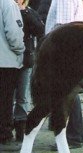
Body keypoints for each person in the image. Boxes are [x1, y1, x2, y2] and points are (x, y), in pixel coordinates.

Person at [45, 0, 83, 150]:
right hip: (71, 46)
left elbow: (64, 26)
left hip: (64, 48)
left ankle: (73, 136)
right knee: (70, 91)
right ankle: (78, 134)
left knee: (66, 91)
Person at [13, 0, 45, 142]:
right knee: (10, 95)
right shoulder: (7, 10)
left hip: (26, 59)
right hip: (12, 58)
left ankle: (21, 128)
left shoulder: (30, 12)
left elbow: (39, 30)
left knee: (23, 95)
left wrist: (24, 12)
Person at [0, 0, 25, 151]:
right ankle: (4, 138)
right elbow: (14, 32)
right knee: (5, 101)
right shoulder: (8, 5)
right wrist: (21, 49)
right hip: (6, 61)